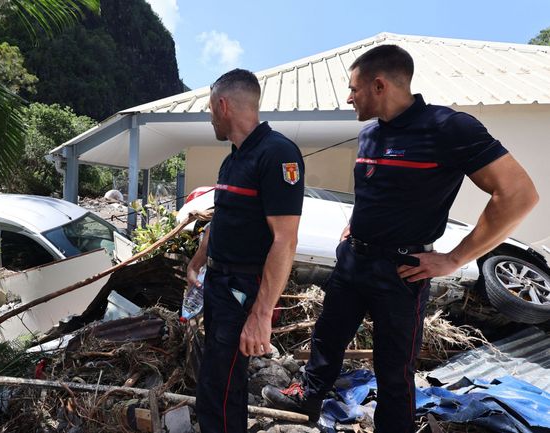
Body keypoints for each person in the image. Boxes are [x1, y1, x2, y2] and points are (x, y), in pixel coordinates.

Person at [261, 45, 539, 433]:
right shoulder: (370, 134)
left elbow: (518, 195)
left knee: (394, 370)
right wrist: (353, 227)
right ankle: (308, 396)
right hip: (354, 260)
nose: (348, 97)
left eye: (353, 88)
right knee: (328, 336)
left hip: (402, 273)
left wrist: (455, 258)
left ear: (379, 85)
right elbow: (375, 190)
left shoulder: (449, 127)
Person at [186, 68, 305, 433]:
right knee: (218, 381)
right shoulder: (233, 158)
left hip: (243, 287)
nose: (209, 117)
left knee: (220, 386)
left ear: (222, 105)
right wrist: (197, 263)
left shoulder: (277, 154)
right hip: (219, 282)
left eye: (209, 109)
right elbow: (222, 217)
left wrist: (260, 314)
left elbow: (285, 240)